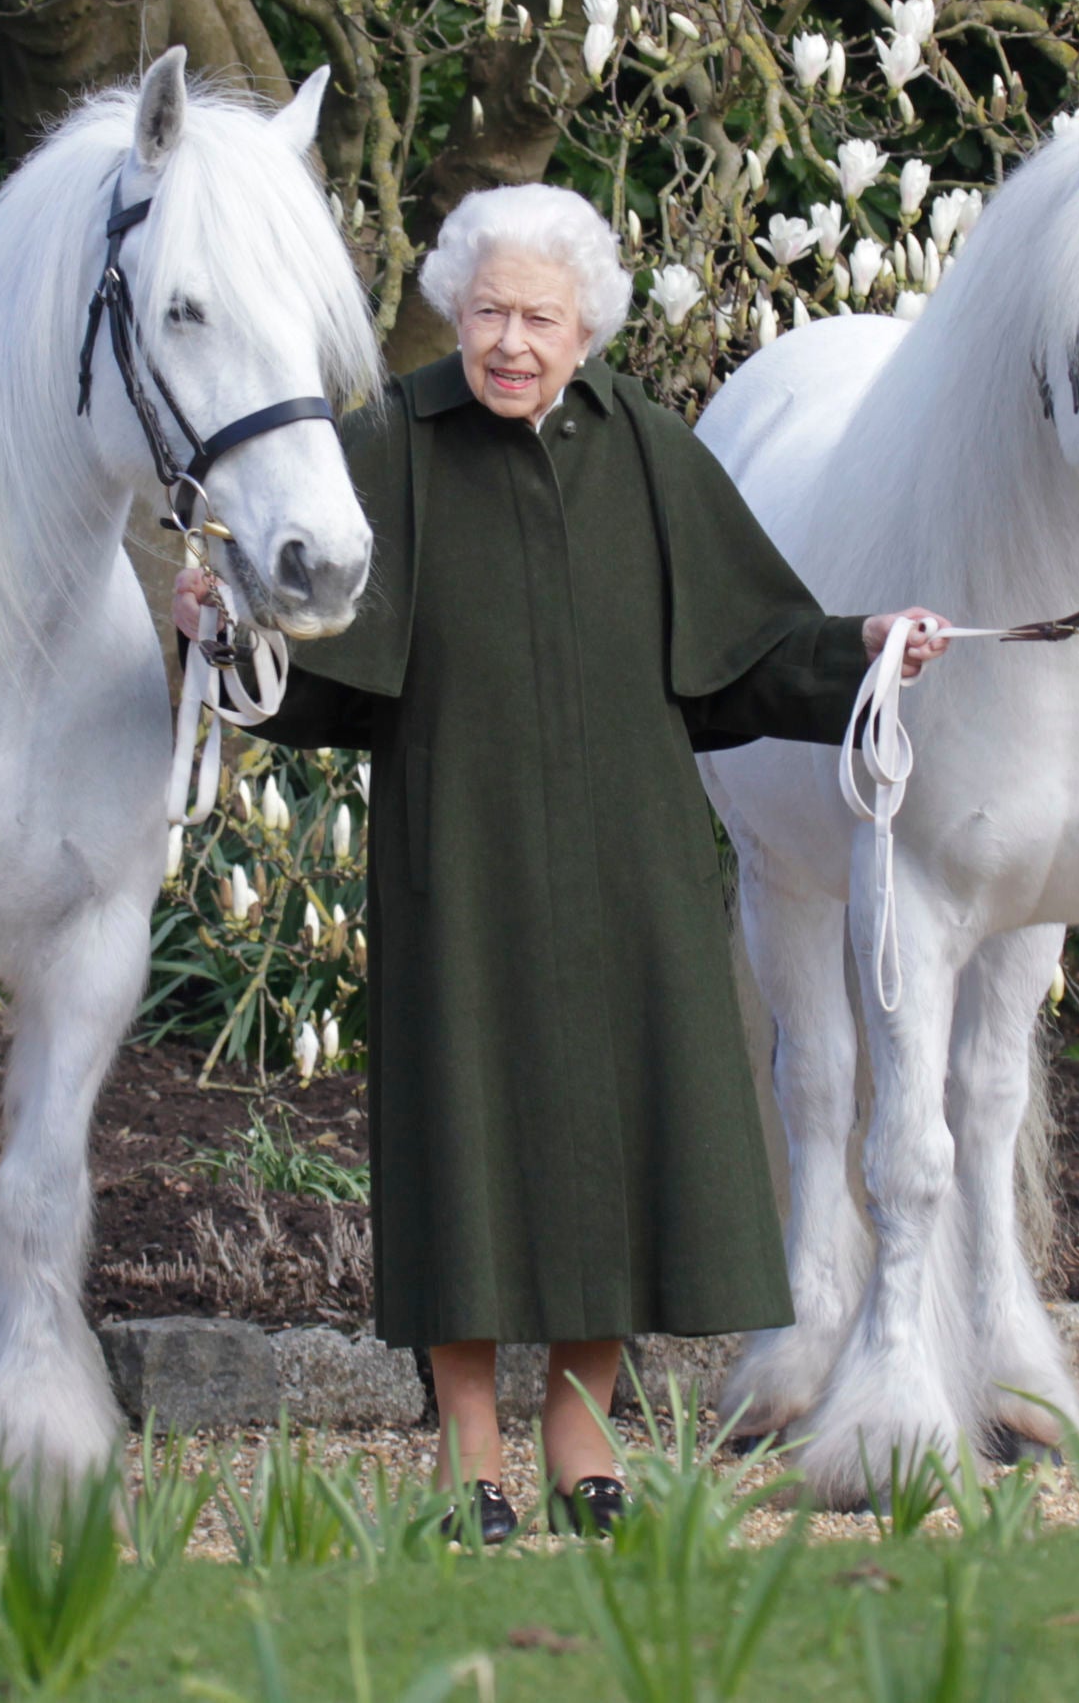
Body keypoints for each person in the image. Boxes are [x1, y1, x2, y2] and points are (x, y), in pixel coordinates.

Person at [175, 183, 947, 1542]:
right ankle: (470, 1435)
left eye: (537, 315)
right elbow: (314, 670)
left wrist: (872, 643)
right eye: (485, 313)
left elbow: (751, 652)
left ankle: (579, 1417)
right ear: (453, 317)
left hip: (629, 861)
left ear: (586, 325)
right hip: (452, 856)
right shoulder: (393, 446)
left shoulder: (649, 450)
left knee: (619, 1141)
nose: (510, 342)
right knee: (464, 1139)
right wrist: (218, 630)